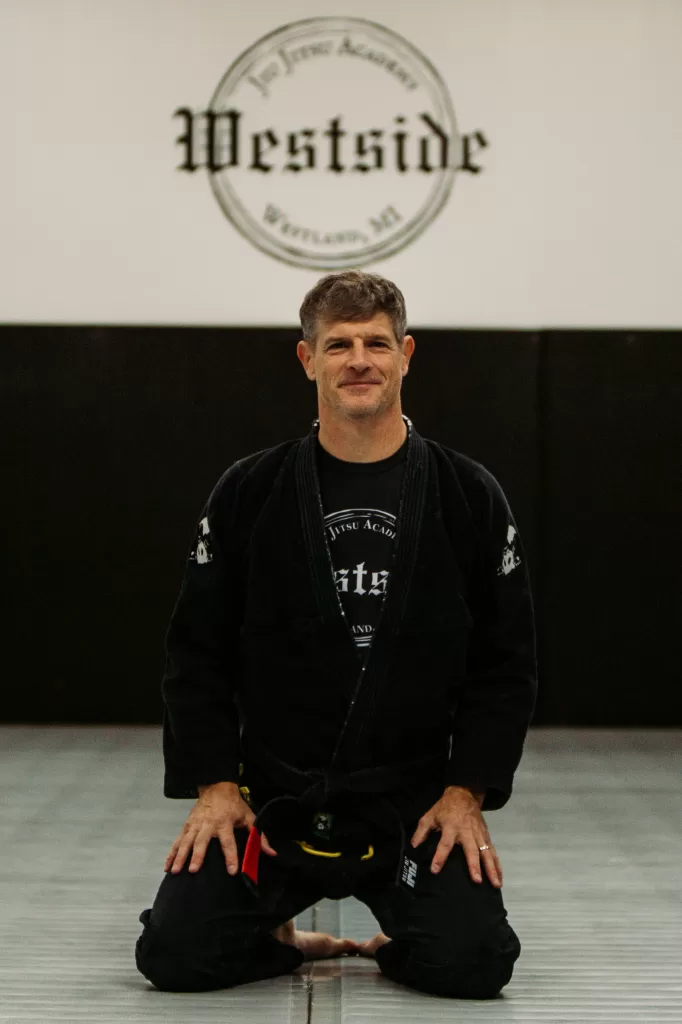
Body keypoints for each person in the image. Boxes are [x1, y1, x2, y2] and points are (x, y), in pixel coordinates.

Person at [134, 271, 537, 999]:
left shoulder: (466, 493)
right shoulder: (249, 490)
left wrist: (465, 792)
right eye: (339, 344)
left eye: (377, 343)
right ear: (307, 359)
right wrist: (217, 787)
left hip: (410, 807)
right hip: (273, 800)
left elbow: (506, 664)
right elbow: (196, 653)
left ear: (406, 354)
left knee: (474, 963)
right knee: (176, 955)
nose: (360, 359)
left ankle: (393, 941)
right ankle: (283, 943)